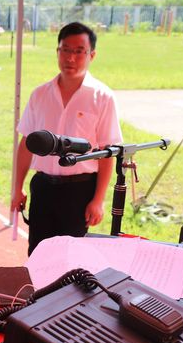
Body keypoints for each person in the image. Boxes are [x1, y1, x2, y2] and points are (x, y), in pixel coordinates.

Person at [11, 22, 123, 255]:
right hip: (43, 188)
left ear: (92, 55)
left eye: (79, 51)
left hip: (80, 192)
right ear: (57, 51)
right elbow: (26, 144)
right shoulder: (40, 94)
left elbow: (106, 153)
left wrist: (98, 200)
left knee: (72, 257)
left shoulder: (102, 97)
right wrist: (17, 187)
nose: (71, 58)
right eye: (66, 50)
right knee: (38, 253)